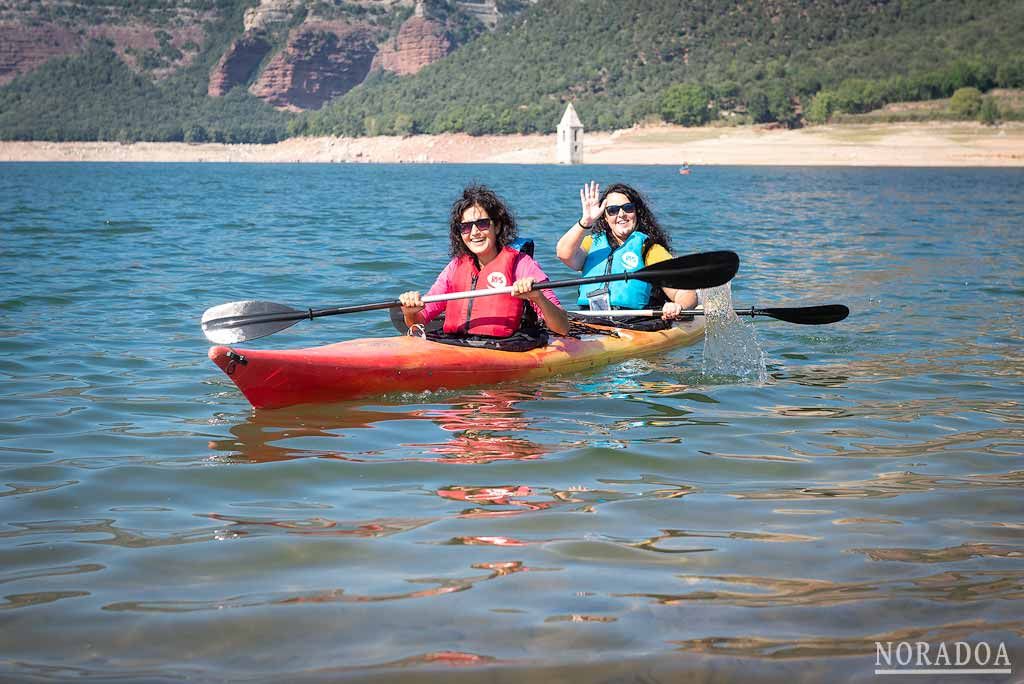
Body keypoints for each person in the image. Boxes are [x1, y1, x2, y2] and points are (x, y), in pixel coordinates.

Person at [400, 185, 570, 346]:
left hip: (503, 349)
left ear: (497, 226)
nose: (474, 233)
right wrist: (410, 312)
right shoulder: (455, 267)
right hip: (455, 346)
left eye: (482, 224)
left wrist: (537, 297)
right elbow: (419, 322)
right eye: (465, 227)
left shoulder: (522, 264)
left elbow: (562, 327)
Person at [555, 181, 696, 321]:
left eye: (628, 208)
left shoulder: (649, 250)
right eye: (613, 210)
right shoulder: (592, 243)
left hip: (634, 323)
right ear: (604, 216)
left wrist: (678, 306)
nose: (621, 214)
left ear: (636, 212)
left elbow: (684, 292)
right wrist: (586, 222)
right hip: (590, 319)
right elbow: (564, 254)